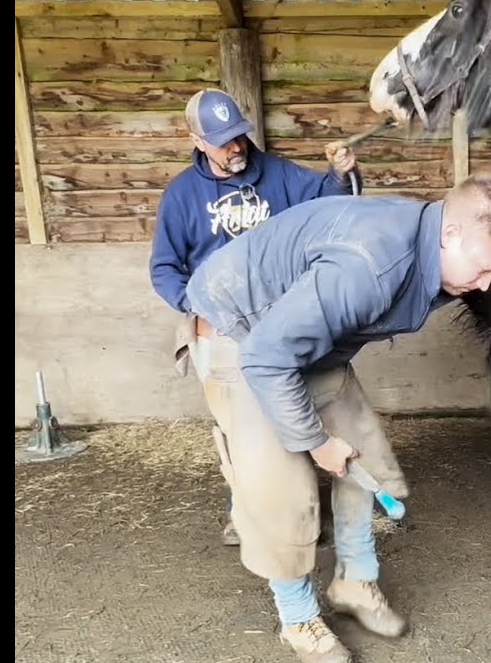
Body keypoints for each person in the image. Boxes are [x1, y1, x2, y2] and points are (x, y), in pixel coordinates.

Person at [182, 173, 491, 663]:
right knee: (280, 482)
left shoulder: (442, 253)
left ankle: (354, 581)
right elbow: (266, 358)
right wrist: (315, 442)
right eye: (482, 268)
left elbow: (310, 336)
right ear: (450, 235)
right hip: (242, 332)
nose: (486, 284)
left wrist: (333, 441)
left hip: (299, 337)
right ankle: (298, 617)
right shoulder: (369, 266)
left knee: (362, 450)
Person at [150, 87, 362, 547]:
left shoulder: (278, 174)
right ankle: (242, 511)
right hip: (221, 328)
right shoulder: (182, 195)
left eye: (239, 136)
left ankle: (301, 515)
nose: (237, 147)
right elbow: (164, 266)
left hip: (281, 322)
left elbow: (327, 204)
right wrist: (194, 303)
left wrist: (341, 173)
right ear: (197, 140)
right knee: (239, 427)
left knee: (295, 413)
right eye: (224, 141)